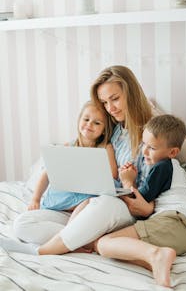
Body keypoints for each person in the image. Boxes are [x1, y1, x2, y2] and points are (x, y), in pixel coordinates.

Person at [0, 66, 153, 254]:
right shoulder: (115, 130)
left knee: (103, 202)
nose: (110, 108)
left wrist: (132, 186)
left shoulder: (151, 133)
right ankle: (88, 240)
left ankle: (42, 251)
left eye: (115, 99)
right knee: (23, 223)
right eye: (105, 102)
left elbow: (152, 186)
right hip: (85, 211)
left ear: (131, 94)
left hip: (116, 207)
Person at [95, 114, 186, 288]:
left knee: (104, 244)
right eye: (144, 144)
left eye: (152, 147)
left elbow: (138, 200)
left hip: (173, 223)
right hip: (181, 234)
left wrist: (127, 181)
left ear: (172, 152)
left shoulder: (163, 166)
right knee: (120, 251)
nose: (144, 151)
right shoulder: (169, 168)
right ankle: (157, 261)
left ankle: (157, 255)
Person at [28, 100, 118, 222]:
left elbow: (112, 176)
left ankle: (70, 232)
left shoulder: (105, 148)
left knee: (92, 201)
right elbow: (47, 174)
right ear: (79, 120)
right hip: (62, 203)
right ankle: (64, 234)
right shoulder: (67, 147)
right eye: (86, 119)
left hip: (87, 199)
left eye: (97, 123)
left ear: (104, 129)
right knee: (25, 222)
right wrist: (35, 199)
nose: (89, 124)